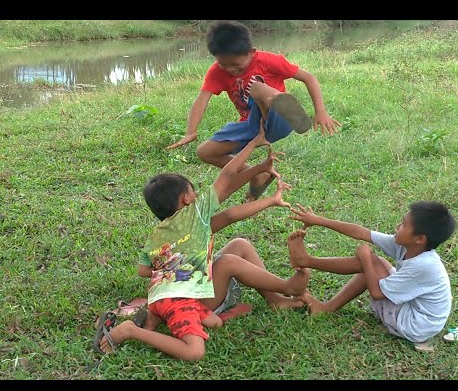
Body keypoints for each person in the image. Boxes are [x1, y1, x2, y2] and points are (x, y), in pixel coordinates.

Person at [96, 128, 311, 360]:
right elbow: (228, 174)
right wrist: (254, 144)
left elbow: (142, 270)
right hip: (188, 299)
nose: (197, 196)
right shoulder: (195, 213)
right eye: (194, 192)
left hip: (160, 296)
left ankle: (275, 300)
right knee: (228, 263)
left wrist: (268, 195)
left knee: (240, 244)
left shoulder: (159, 233)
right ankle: (287, 287)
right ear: (186, 199)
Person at [167, 20, 341, 201]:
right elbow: (202, 98)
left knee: (256, 88)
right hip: (253, 127)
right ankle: (259, 175)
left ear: (252, 52)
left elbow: (308, 77)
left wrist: (320, 111)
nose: (230, 70)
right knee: (205, 152)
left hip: (279, 119)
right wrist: (190, 131)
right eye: (223, 64)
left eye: (235, 64)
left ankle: (284, 104)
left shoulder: (268, 60)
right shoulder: (216, 72)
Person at [286, 201, 456, 345]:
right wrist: (318, 220)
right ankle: (308, 267)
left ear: (420, 239)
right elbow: (361, 232)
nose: (397, 227)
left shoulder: (424, 265)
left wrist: (366, 258)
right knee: (376, 263)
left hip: (415, 325)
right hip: (415, 311)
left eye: (404, 224)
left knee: (372, 263)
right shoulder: (408, 246)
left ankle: (306, 264)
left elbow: (377, 293)